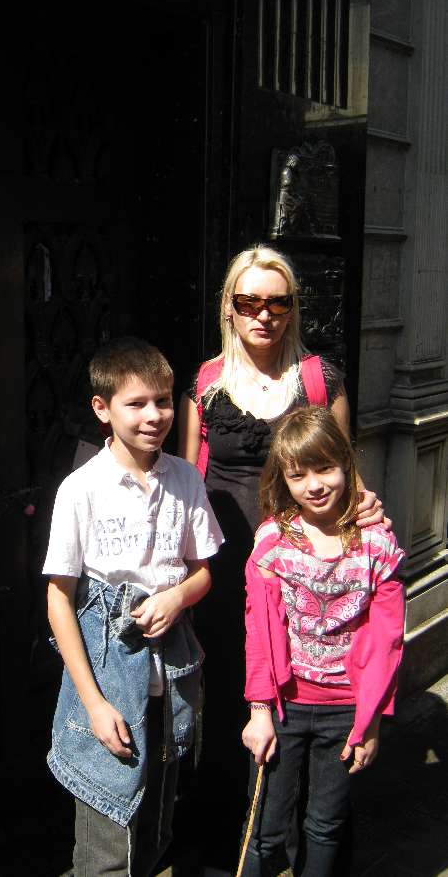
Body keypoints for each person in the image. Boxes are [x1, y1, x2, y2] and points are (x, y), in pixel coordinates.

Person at [175, 244, 386, 870]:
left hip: (308, 580)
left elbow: (345, 475)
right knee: (232, 701)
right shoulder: (206, 384)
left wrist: (366, 512)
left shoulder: (320, 381)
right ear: (229, 309)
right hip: (226, 576)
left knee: (303, 703)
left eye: (277, 302)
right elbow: (187, 480)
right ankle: (239, 844)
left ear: (293, 308)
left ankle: (309, 841)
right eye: (249, 302)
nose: (263, 315)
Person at [43, 336, 224, 877]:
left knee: (154, 828)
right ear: (102, 408)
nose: (154, 416)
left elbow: (202, 571)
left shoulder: (185, 479)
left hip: (170, 682)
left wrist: (176, 595)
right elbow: (59, 600)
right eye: (136, 403)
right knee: (106, 845)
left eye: (163, 401)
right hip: (107, 684)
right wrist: (93, 705)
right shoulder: (82, 489)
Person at [239, 405, 405, 876]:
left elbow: (387, 640)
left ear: (346, 465)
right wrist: (259, 708)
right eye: (298, 475)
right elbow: (260, 630)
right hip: (284, 707)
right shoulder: (273, 543)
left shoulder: (377, 547)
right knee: (264, 828)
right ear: (283, 479)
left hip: (346, 710)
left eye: (325, 469)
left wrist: (370, 721)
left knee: (326, 826)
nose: (313, 485)